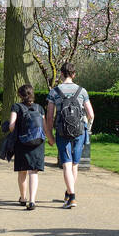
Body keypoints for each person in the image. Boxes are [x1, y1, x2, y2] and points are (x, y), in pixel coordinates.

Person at [45, 62, 94, 208]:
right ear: (74, 74)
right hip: (79, 130)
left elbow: (49, 117)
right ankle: (69, 193)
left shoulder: (54, 92)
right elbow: (91, 114)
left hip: (62, 131)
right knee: (75, 164)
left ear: (61, 74)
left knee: (66, 162)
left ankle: (71, 196)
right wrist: (87, 127)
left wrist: (50, 136)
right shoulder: (82, 91)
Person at [7, 84, 45, 210]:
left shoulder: (17, 107)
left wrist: (10, 126)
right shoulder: (39, 108)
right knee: (33, 172)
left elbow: (12, 126)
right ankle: (32, 200)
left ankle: (23, 198)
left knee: (22, 171)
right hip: (37, 143)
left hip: (22, 142)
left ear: (20, 95)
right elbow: (44, 126)